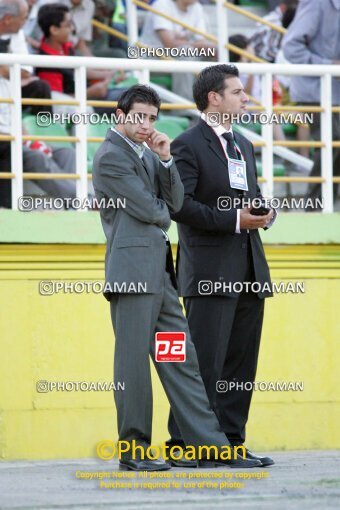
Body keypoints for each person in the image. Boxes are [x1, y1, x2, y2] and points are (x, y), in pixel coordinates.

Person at [92, 84, 261, 471]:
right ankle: (133, 450)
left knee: (180, 359)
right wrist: (163, 203)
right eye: (139, 116)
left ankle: (210, 446)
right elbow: (158, 212)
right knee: (133, 365)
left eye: (152, 118)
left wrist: (166, 160)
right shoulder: (110, 158)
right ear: (120, 116)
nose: (146, 125)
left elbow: (178, 201)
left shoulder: (149, 155)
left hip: (160, 279)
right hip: (132, 278)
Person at [167, 64, 276, 467]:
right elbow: (181, 205)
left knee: (239, 364)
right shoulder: (187, 144)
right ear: (214, 98)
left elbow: (253, 193)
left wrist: (263, 213)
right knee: (202, 362)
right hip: (210, 273)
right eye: (237, 92)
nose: (245, 99)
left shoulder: (243, 144)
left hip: (249, 267)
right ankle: (183, 443)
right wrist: (233, 219)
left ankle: (231, 441)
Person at [282, 0, 340, 205]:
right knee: (332, 140)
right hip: (315, 90)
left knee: (334, 142)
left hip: (333, 91)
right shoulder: (317, 3)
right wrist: (327, 66)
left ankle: (325, 202)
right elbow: (290, 47)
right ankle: (316, 204)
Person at [35, 3, 127, 116]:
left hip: (91, 98)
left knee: (138, 94)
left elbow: (79, 71)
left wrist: (110, 74)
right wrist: (89, 93)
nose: (73, 28)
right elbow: (58, 101)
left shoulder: (66, 46)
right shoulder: (46, 63)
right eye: (68, 25)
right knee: (134, 101)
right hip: (84, 106)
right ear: (54, 30)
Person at [0, 75, 76, 209]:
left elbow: (17, 122)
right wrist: (24, 142)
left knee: (66, 153)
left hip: (17, 140)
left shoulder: (8, 85)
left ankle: (71, 206)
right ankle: (81, 199)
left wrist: (32, 141)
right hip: (7, 143)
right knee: (36, 156)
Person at [140, 0, 216, 100]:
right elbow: (169, 44)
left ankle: (214, 105)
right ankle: (184, 110)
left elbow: (202, 42)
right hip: (151, 55)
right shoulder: (162, 4)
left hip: (177, 54)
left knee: (215, 54)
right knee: (187, 52)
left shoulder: (197, 7)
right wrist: (194, 45)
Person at [0, 0, 52, 116]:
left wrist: (5, 71)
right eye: (23, 18)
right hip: (8, 86)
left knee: (41, 87)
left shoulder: (17, 34)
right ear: (8, 19)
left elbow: (26, 72)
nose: (26, 22)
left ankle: (44, 131)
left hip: (12, 87)